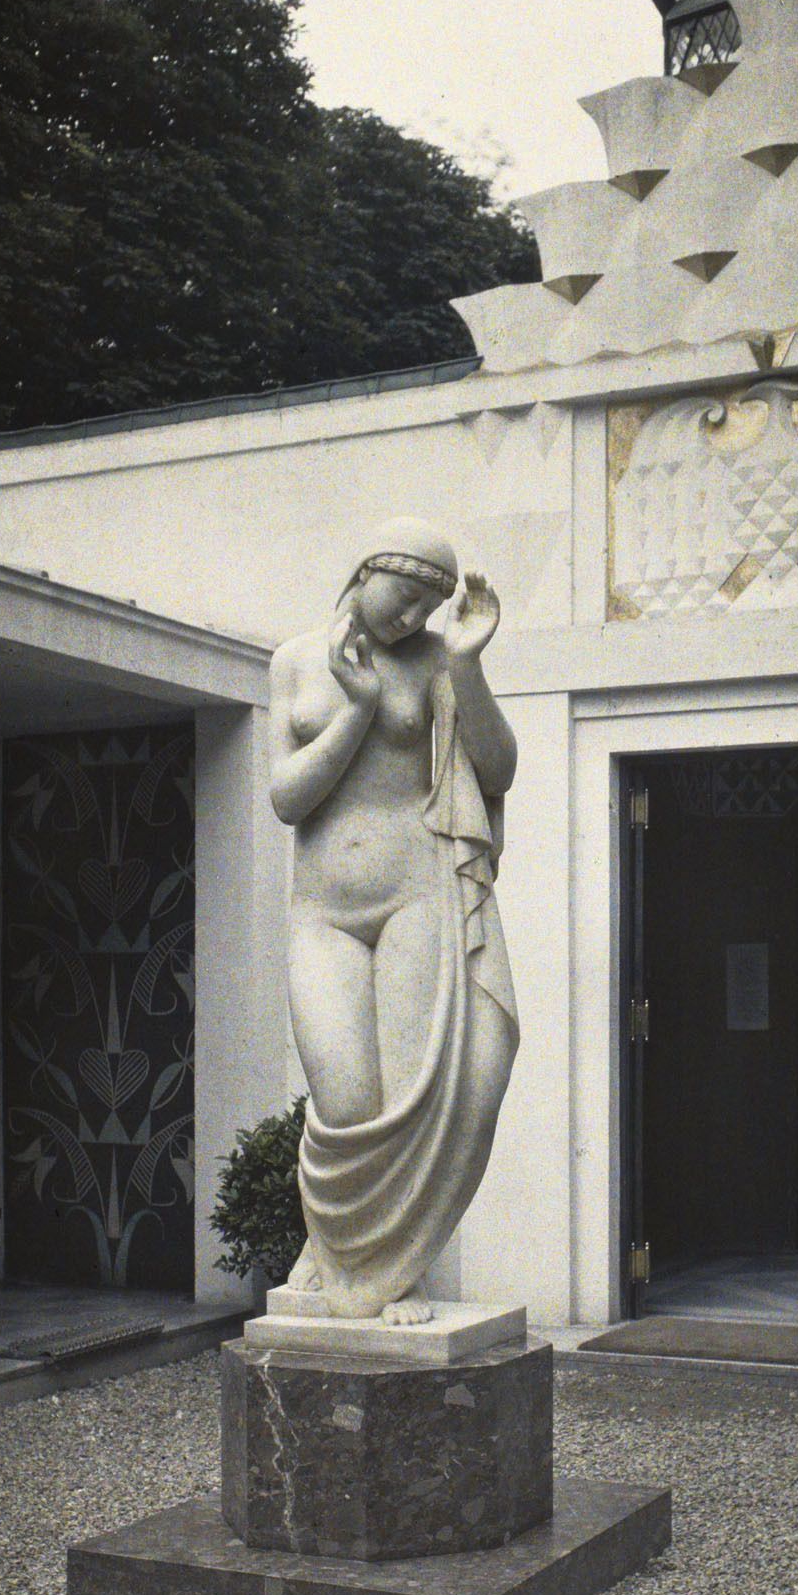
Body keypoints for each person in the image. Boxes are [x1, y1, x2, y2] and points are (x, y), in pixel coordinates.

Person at [268, 519, 519, 1324]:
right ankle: (337, 1249)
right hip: (325, 913)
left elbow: (498, 767)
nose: (411, 618)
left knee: (415, 1099)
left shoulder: (440, 662)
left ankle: (388, 1274)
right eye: (404, 597)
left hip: (417, 896)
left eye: (426, 607)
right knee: (344, 1101)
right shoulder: (297, 660)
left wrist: (469, 662)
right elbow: (287, 798)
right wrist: (362, 707)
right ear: (367, 571)